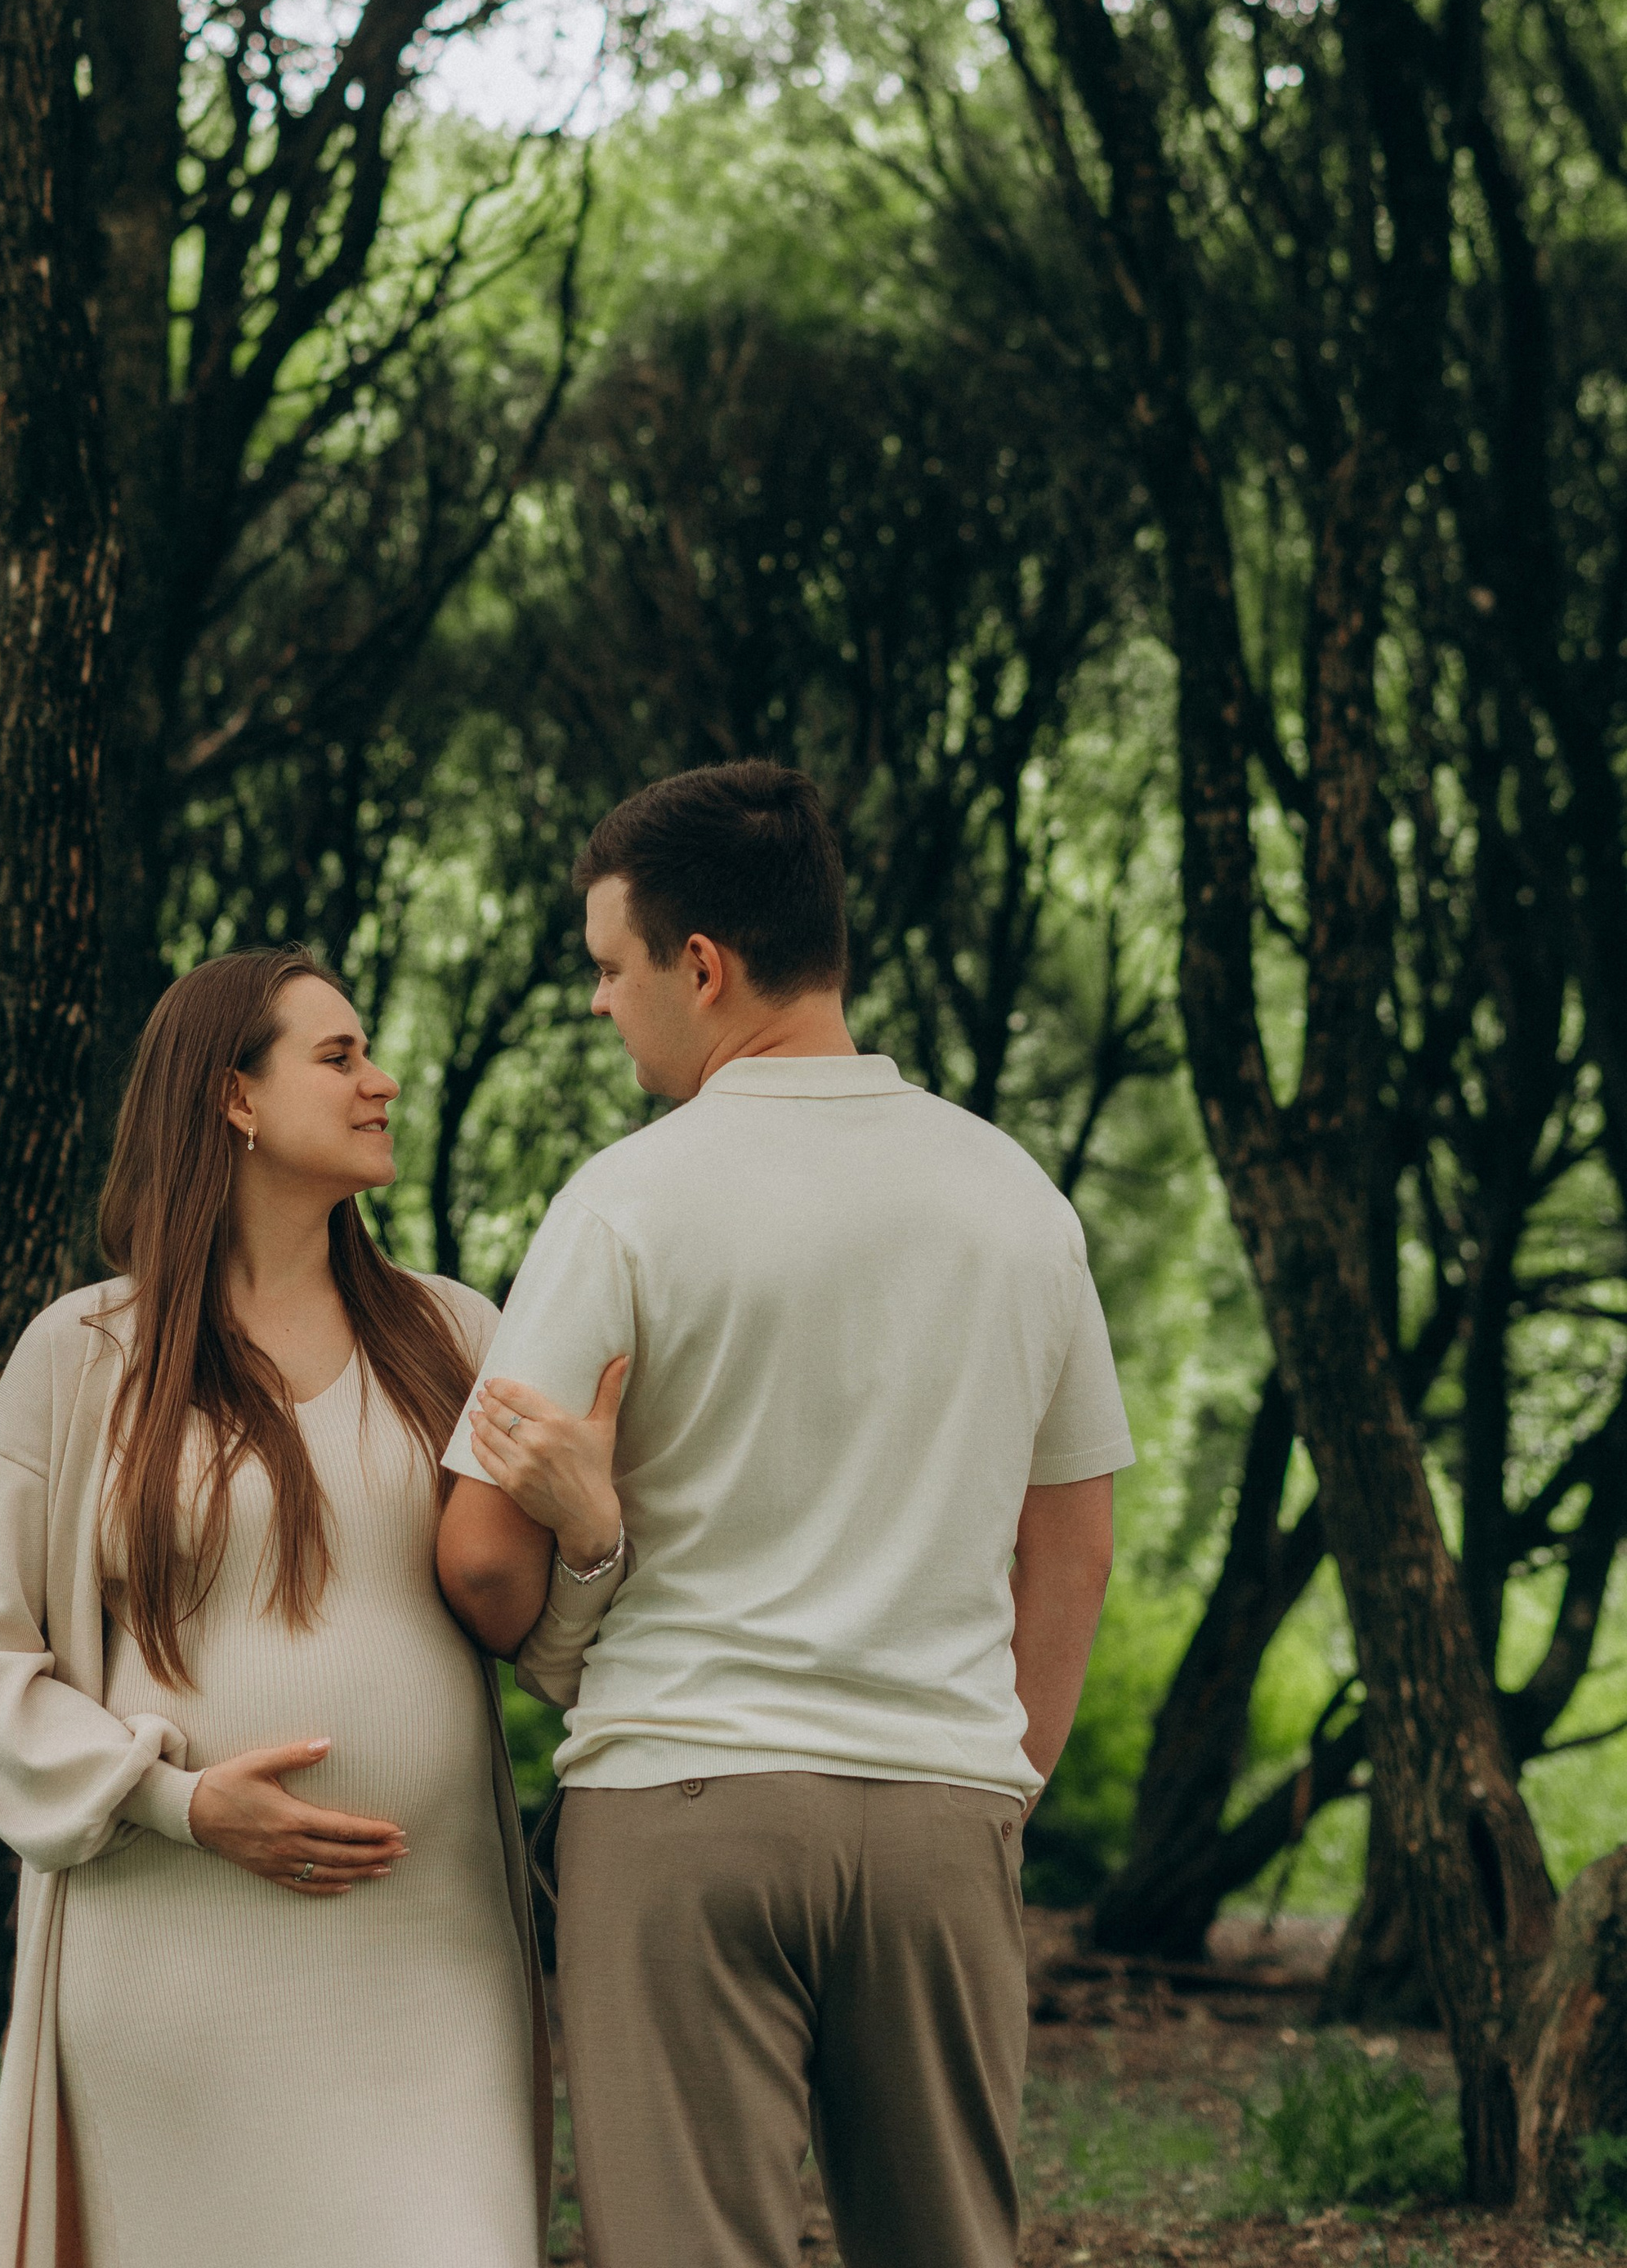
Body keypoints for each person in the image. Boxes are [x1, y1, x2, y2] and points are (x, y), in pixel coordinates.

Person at [436, 761, 1132, 2268]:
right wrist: (995, 1786)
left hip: (682, 1806)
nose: (606, 1006)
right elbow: (1073, 1540)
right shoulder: (1019, 1201)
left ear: (703, 964)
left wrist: (582, 1554)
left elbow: (480, 1562)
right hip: (944, 1808)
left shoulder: (625, 1201)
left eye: (613, 971)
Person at [0, 947, 555, 2268]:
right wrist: (185, 1801)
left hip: (429, 1961)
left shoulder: (457, 1337)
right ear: (235, 1099)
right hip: (172, 1969)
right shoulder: (85, 1355)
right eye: (338, 1057)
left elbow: (548, 1619)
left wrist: (598, 1532)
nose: (382, 1082)